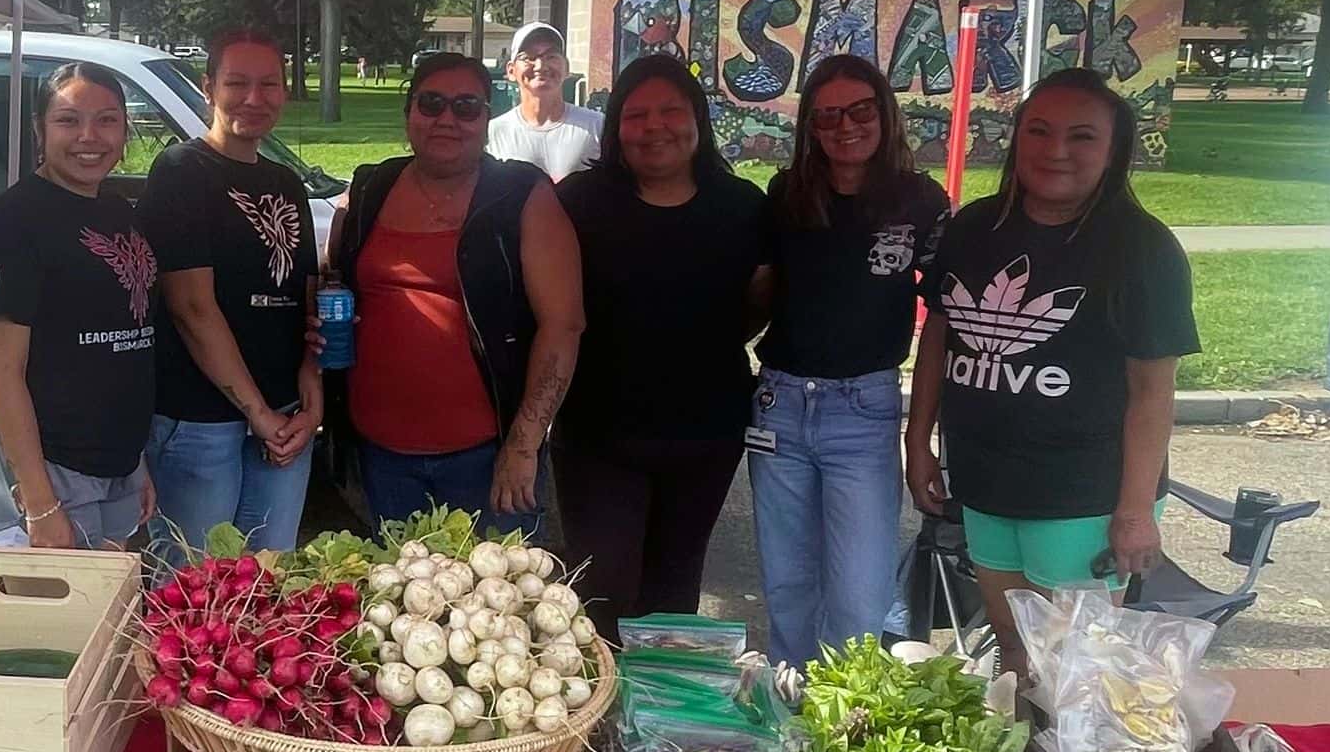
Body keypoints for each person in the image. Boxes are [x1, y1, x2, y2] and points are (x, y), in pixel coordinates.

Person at [906, 68, 1199, 676]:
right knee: (1013, 653)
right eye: (1039, 130)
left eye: (1082, 136)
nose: (1056, 150)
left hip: (1083, 500)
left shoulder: (1142, 248)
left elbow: (1152, 394)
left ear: (1114, 149)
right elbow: (939, 333)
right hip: (987, 486)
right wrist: (917, 442)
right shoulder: (973, 228)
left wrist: (1136, 513)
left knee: (1076, 672)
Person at [553, 55, 770, 642]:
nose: (655, 127)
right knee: (601, 594)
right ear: (615, 128)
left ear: (698, 120)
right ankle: (593, 726)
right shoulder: (578, 203)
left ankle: (660, 733)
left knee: (674, 597)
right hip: (599, 438)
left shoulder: (742, 206)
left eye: (671, 111)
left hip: (705, 436)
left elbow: (757, 303)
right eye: (636, 114)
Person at [750, 55, 951, 670]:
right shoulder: (785, 194)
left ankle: (843, 736)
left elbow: (942, 317)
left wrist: (920, 440)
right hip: (778, 407)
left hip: (863, 411)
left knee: (860, 599)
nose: (845, 127)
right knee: (787, 587)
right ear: (809, 126)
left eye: (860, 111)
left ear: (884, 116)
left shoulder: (919, 200)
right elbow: (756, 294)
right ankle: (793, 729)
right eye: (827, 115)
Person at [328, 53, 584, 533]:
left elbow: (564, 324)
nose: (447, 119)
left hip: (488, 457)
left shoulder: (521, 194)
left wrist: (524, 444)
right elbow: (334, 281)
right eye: (431, 103)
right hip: (380, 453)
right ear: (409, 113)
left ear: (487, 117)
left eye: (466, 107)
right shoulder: (371, 187)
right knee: (397, 599)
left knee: (492, 603)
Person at [137, 29, 320, 559]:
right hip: (199, 422)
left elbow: (306, 299)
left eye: (269, 84)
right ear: (208, 87)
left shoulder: (286, 182)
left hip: (284, 419)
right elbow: (192, 307)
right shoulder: (181, 171)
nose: (254, 98)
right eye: (237, 83)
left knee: (267, 579)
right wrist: (256, 411)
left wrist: (312, 396)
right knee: (193, 595)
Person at [0, 62, 159, 550]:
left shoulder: (116, 211)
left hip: (116, 470)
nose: (89, 136)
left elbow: (126, 344)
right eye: (69, 120)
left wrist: (135, 465)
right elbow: (2, 373)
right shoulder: (11, 222)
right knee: (43, 624)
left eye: (108, 119)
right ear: (39, 129)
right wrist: (39, 501)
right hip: (48, 472)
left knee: (108, 620)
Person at [486, 24, 603, 181]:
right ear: (511, 71)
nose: (541, 66)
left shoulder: (597, 126)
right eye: (528, 58)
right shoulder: (493, 133)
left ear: (566, 68)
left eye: (551, 57)